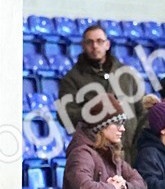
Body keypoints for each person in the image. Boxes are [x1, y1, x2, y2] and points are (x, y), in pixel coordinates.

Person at [57, 25, 142, 160]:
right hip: (97, 154)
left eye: (99, 41)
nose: (95, 46)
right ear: (83, 45)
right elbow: (65, 116)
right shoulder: (71, 79)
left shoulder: (127, 74)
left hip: (131, 152)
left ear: (107, 44)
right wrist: (98, 109)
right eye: (89, 42)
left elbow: (141, 110)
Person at [62, 94, 147, 189]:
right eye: (117, 123)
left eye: (123, 123)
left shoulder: (111, 152)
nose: (122, 129)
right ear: (101, 127)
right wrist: (112, 188)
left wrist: (124, 186)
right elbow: (82, 187)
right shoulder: (82, 153)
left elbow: (141, 184)